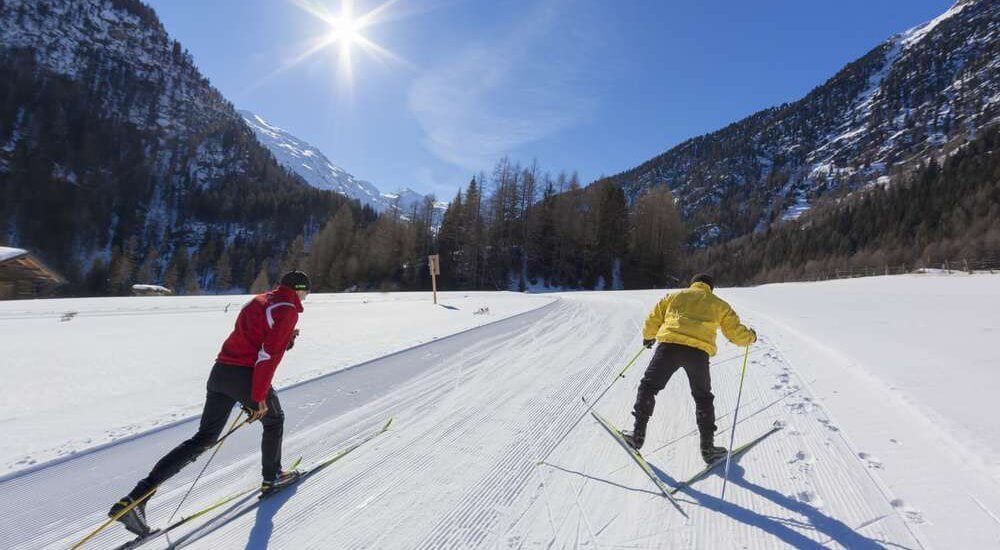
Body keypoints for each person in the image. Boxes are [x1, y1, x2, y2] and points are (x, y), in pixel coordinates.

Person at [109, 271, 311, 536]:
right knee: (274, 419)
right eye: (306, 292)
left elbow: (254, 339)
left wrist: (285, 340)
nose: (306, 297)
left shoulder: (259, 300)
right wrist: (258, 396)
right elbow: (267, 355)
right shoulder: (288, 310)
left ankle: (135, 500)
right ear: (298, 290)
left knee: (203, 438)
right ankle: (272, 478)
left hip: (220, 372)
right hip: (245, 375)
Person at [622, 273, 756, 464]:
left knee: (648, 387)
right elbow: (735, 333)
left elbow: (654, 318)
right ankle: (708, 449)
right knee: (703, 398)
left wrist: (648, 336)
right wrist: (750, 337)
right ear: (711, 288)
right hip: (698, 354)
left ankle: (637, 436)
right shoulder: (718, 304)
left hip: (669, 347)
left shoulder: (674, 296)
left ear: (692, 284)